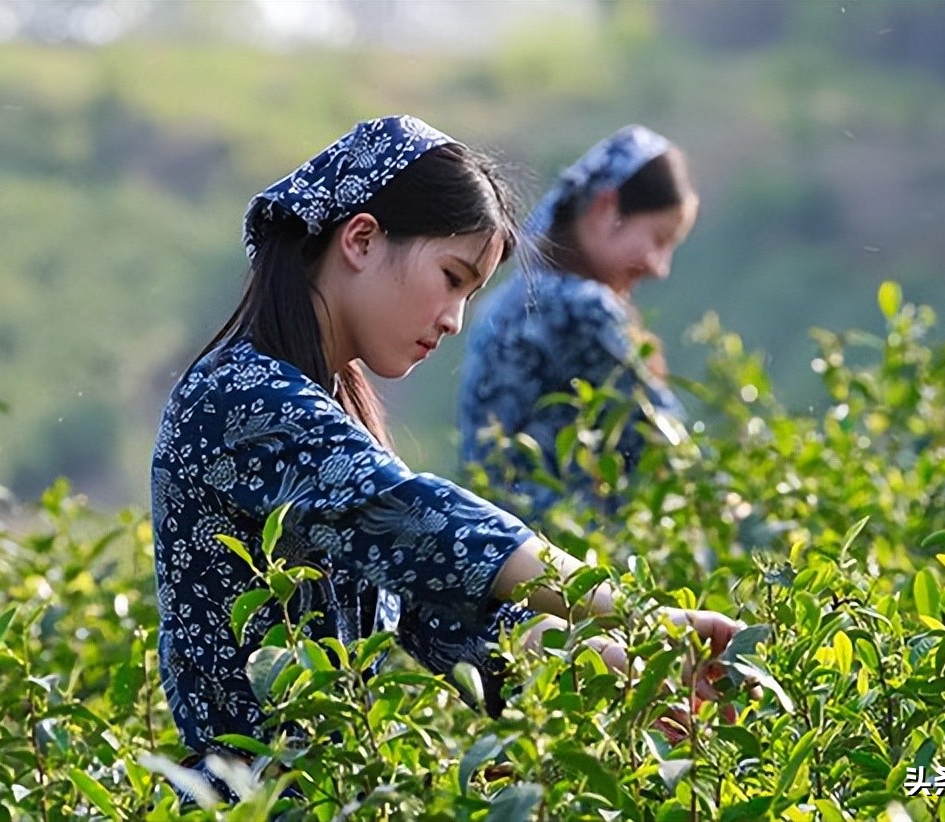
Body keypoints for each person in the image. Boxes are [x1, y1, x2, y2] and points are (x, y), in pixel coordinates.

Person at [150, 116, 741, 796]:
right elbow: (422, 524)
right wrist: (640, 616)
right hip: (251, 800)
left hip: (335, 793)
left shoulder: (327, 409)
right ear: (362, 239)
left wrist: (625, 674)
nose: (455, 318)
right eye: (452, 277)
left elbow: (445, 615)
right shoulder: (241, 400)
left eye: (470, 293)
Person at [458, 125, 698, 521]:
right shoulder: (580, 308)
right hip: (563, 557)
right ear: (607, 210)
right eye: (659, 238)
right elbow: (671, 450)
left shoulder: (520, 297)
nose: (660, 267)